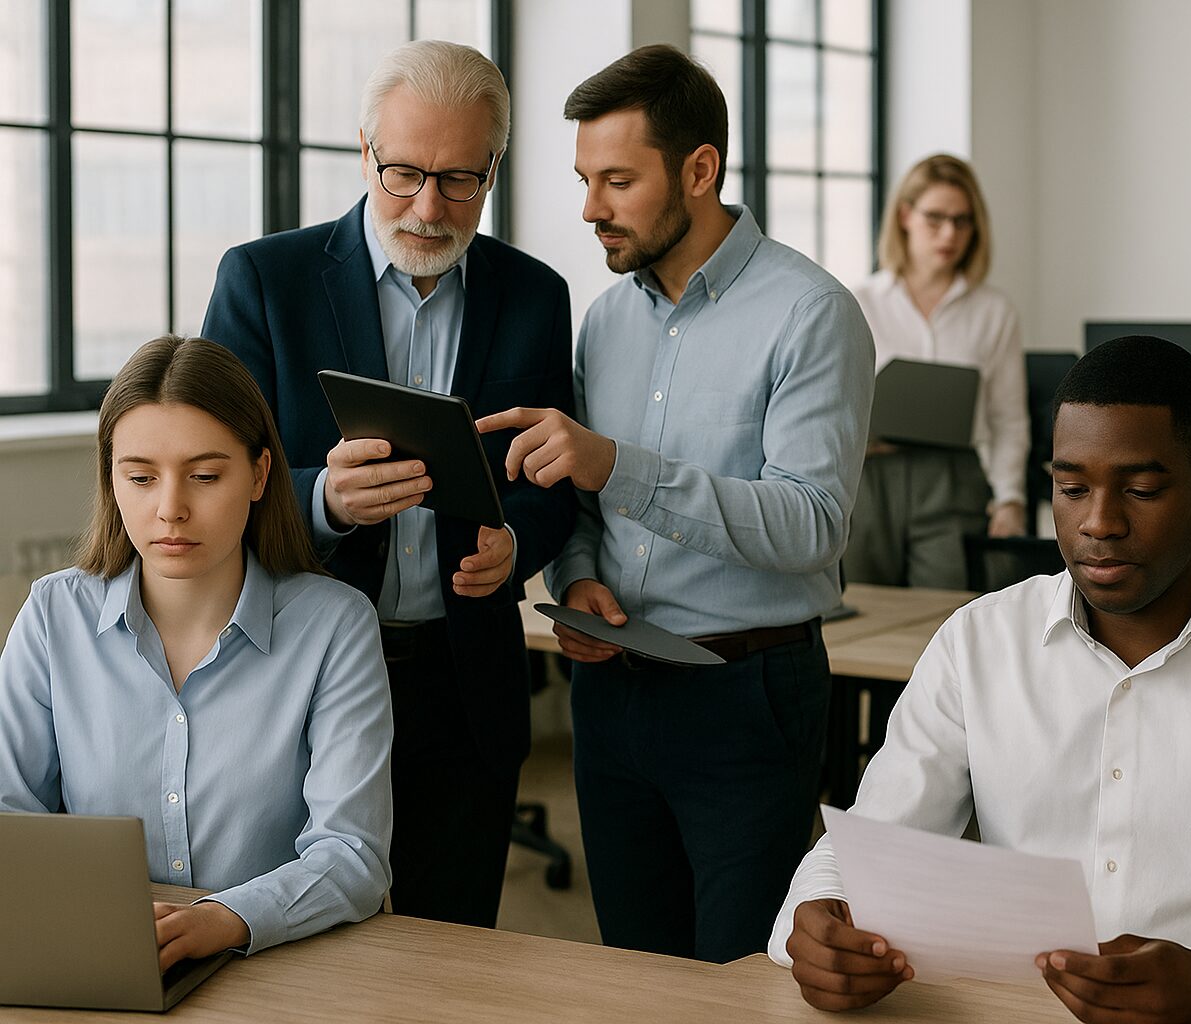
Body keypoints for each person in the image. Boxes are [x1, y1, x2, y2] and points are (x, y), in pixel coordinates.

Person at [771, 336, 1191, 1022]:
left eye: (1141, 489)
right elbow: (874, 848)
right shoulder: (978, 642)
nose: (1099, 523)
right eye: (1071, 487)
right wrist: (817, 920)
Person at [476, 44, 873, 963]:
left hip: (744, 696)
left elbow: (813, 523)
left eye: (617, 181)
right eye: (583, 179)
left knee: (738, 981)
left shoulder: (811, 313)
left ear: (701, 170)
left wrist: (617, 465)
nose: (589, 209)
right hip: (610, 691)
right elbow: (579, 503)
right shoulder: (607, 318)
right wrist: (575, 580)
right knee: (633, 974)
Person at [201, 40, 577, 927]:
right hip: (300, 676)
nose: (428, 207)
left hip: (464, 682)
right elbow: (209, 476)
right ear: (364, 150)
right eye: (403, 173)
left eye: (460, 180)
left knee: (453, 953)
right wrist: (319, 502)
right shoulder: (265, 281)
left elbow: (553, 487)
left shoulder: (534, 296)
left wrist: (518, 541)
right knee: (301, 948)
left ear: (495, 167)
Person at [0, 335, 392, 971]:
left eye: (205, 476)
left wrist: (224, 919)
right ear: (111, 479)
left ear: (261, 474)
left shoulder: (336, 627)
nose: (170, 509)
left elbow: (352, 853)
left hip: (280, 963)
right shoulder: (52, 616)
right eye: (140, 478)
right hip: (99, 955)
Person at [842, 154, 1028, 588]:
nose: (950, 234)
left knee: (945, 616)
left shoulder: (993, 312)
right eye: (936, 218)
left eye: (963, 221)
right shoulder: (858, 302)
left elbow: (1007, 419)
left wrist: (1010, 500)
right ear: (905, 215)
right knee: (866, 612)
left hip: (953, 482)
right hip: (870, 479)